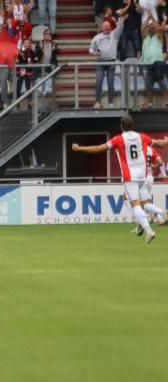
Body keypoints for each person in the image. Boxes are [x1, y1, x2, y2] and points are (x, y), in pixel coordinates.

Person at [71, 115, 159, 243]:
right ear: (132, 125)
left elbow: (98, 149)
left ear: (121, 126)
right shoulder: (142, 137)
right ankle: (146, 223)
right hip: (143, 176)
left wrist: (79, 148)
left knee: (135, 205)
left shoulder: (118, 139)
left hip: (130, 177)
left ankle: (150, 227)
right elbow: (159, 143)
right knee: (138, 201)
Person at [89, 17, 124, 109]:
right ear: (102, 27)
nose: (107, 27)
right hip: (100, 62)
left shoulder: (114, 35)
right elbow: (91, 48)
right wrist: (93, 53)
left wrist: (120, 19)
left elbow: (120, 27)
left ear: (110, 27)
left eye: (108, 26)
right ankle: (97, 102)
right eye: (105, 26)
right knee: (99, 82)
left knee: (110, 83)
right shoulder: (97, 37)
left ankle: (110, 103)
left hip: (111, 62)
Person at [140, 18, 167, 108]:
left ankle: (167, 101)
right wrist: (148, 19)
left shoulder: (159, 37)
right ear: (148, 29)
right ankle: (150, 102)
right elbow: (142, 28)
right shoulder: (145, 37)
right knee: (148, 85)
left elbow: (160, 29)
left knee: (163, 84)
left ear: (155, 29)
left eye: (153, 28)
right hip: (146, 65)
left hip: (158, 64)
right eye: (150, 28)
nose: (151, 29)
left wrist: (153, 19)